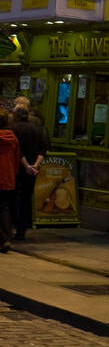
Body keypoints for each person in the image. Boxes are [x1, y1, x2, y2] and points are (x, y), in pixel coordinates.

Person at [12, 99, 46, 240]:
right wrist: (35, 166)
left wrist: (26, 166)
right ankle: (21, 231)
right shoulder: (36, 129)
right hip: (32, 171)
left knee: (12, 199)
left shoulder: (14, 128)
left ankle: (10, 229)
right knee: (26, 199)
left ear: (17, 115)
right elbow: (43, 150)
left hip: (17, 169)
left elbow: (17, 151)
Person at [0, 109, 22, 252]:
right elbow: (16, 159)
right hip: (8, 178)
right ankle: (6, 239)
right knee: (4, 208)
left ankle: (3, 239)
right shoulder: (13, 138)